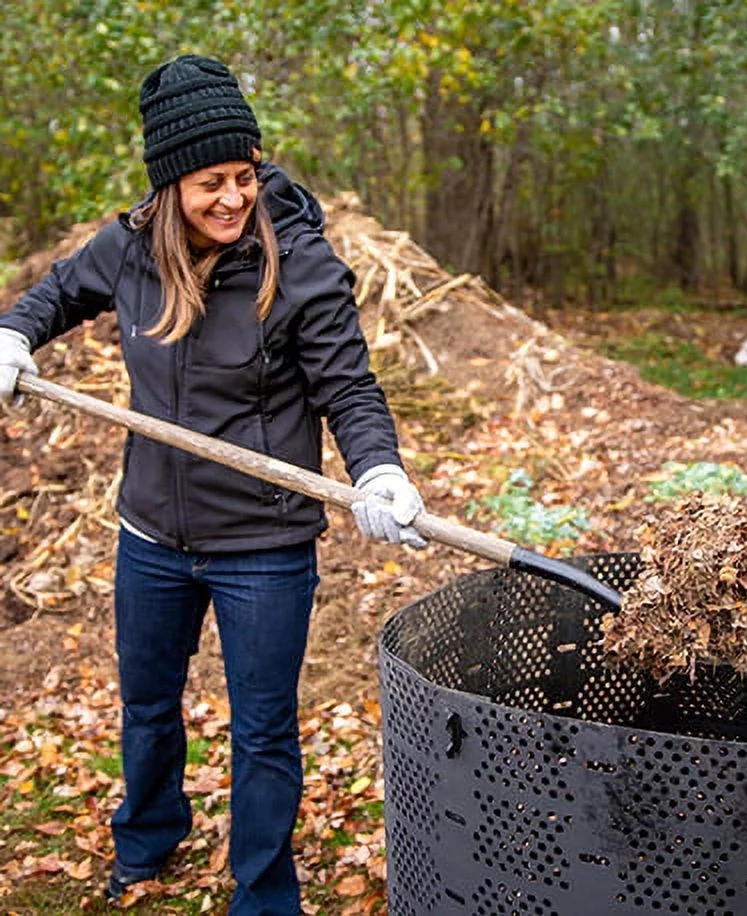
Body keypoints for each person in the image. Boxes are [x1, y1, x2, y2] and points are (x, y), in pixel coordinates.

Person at [0, 54, 425, 914]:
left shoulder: (298, 262)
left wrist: (378, 468)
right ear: (167, 187)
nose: (233, 198)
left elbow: (349, 387)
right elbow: (44, 300)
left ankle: (263, 891)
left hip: (263, 545)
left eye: (245, 175)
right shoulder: (125, 250)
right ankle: (149, 835)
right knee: (149, 704)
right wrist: (12, 336)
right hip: (151, 534)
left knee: (263, 727)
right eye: (209, 183)